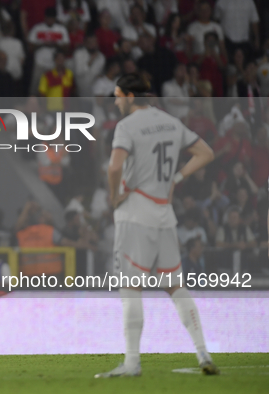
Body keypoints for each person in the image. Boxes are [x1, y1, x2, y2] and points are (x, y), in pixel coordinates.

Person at [96, 73, 218, 378]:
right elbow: (206, 153)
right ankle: (202, 351)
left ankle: (132, 363)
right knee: (177, 287)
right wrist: (176, 179)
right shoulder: (170, 121)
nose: (117, 101)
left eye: (118, 95)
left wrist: (114, 197)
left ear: (129, 96)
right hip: (165, 213)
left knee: (129, 287)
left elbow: (114, 166)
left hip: (135, 211)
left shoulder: (126, 126)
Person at [68, 33, 105, 97]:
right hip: (81, 93)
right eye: (89, 42)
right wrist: (91, 60)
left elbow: (100, 74)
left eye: (94, 42)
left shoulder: (101, 57)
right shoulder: (78, 54)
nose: (92, 44)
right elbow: (78, 72)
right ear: (85, 43)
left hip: (95, 94)